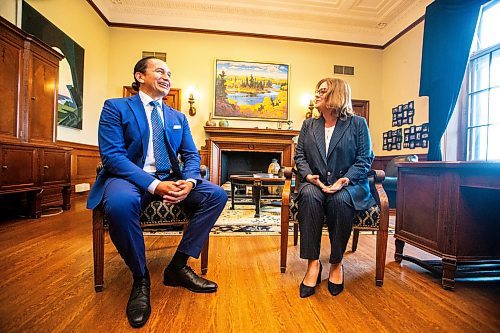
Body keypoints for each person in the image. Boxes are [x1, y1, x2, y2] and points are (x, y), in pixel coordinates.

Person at [87, 56, 227, 328]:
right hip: (130, 178)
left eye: (170, 74)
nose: (167, 77)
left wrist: (189, 182)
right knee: (119, 203)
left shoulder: (177, 117)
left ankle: (177, 266)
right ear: (140, 76)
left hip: (171, 177)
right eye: (160, 71)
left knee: (217, 195)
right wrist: (153, 185)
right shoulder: (116, 107)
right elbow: (113, 156)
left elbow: (190, 155)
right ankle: (140, 279)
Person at [294, 78, 374, 298]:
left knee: (340, 200)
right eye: (317, 90)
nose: (316, 94)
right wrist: (311, 177)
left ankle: (336, 263)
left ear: (336, 95)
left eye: (322, 91)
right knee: (309, 196)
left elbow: (364, 159)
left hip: (349, 184)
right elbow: (299, 156)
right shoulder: (309, 125)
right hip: (315, 183)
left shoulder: (358, 124)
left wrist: (343, 181)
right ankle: (313, 264)